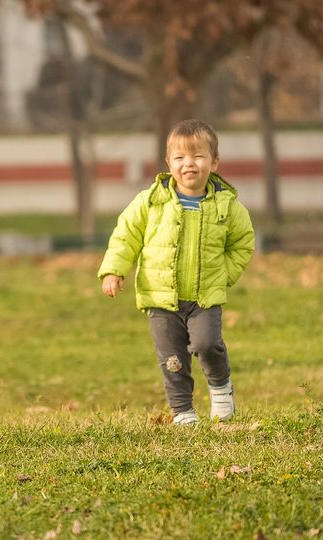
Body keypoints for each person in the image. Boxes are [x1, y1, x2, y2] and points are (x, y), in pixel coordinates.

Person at [98, 119, 254, 425]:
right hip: (161, 298)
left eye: (198, 156)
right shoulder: (151, 202)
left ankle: (221, 392)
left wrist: (223, 276)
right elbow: (125, 236)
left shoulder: (227, 206)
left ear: (214, 162)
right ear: (169, 163)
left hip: (205, 297)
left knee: (208, 346)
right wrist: (114, 270)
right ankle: (183, 412)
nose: (189, 164)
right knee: (172, 359)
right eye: (180, 158)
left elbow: (243, 245)